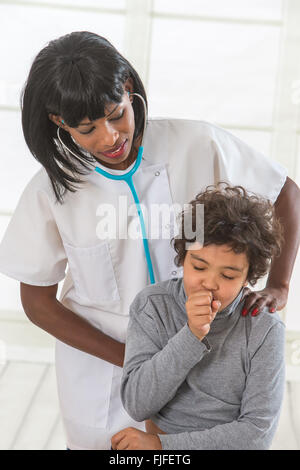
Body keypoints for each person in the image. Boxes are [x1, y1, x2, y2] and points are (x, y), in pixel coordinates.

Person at [0, 31, 298, 450]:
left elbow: (284, 192)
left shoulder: (197, 143)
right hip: (105, 378)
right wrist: (138, 361)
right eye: (87, 129)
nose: (109, 138)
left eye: (115, 114)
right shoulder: (52, 189)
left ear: (129, 90)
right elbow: (36, 300)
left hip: (205, 368)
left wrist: (279, 287)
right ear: (59, 122)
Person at [112, 184, 286, 450]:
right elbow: (137, 404)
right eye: (199, 266)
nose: (209, 283)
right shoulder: (153, 306)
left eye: (228, 276)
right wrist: (191, 335)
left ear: (248, 278)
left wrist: (162, 446)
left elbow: (257, 434)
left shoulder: (264, 329)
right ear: (183, 257)